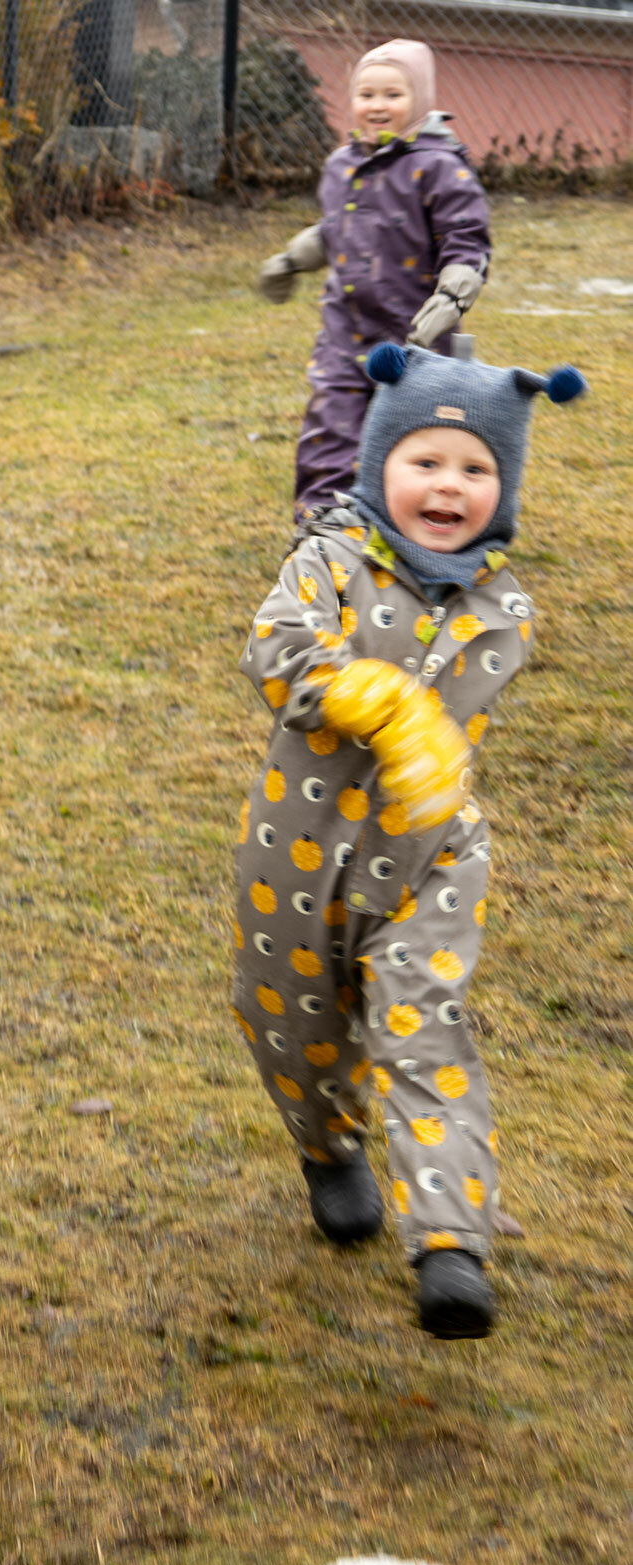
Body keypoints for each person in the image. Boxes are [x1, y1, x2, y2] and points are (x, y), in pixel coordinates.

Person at [231, 341, 582, 1340]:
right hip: (294, 853)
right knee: (287, 1027)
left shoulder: (502, 611)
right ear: (379, 461)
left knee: (424, 1027)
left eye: (476, 470)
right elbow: (273, 653)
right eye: (425, 460)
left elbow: (456, 723)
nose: (448, 485)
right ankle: (327, 1144)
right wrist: (375, 698)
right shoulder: (326, 562)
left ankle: (449, 1241)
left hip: (426, 858)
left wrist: (428, 761)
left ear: (502, 490)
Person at [257, 39, 492, 522]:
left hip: (415, 335)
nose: (378, 106)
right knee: (331, 425)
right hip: (345, 331)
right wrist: (290, 260)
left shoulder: (440, 167)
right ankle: (321, 524)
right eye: (366, 95)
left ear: (421, 99)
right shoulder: (341, 165)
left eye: (392, 95)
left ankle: (415, 522)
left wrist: (452, 295)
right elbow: (334, 229)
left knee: (414, 435)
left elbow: (466, 240)